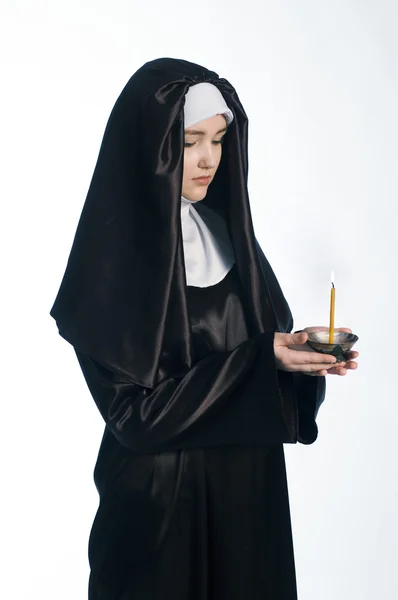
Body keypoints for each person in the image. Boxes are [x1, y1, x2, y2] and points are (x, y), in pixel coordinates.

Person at [50, 58, 358, 600]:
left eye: (219, 139)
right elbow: (135, 418)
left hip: (246, 498)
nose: (209, 159)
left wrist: (304, 359)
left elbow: (265, 369)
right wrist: (263, 360)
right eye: (190, 141)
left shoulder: (227, 236)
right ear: (153, 145)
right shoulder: (110, 262)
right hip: (160, 512)